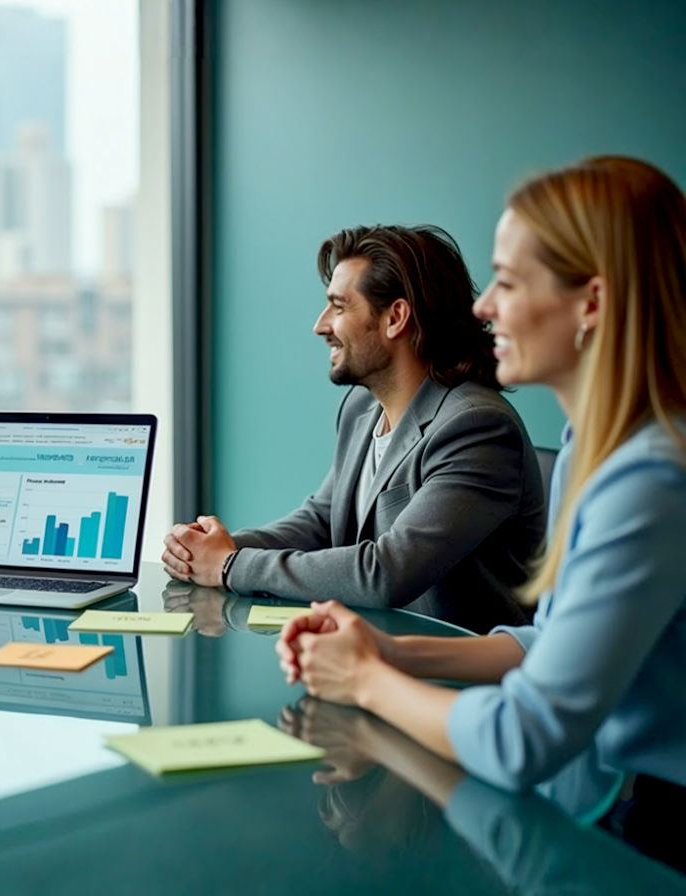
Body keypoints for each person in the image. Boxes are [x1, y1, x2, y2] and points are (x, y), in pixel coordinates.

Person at [277, 156, 686, 871]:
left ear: (591, 303)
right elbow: (547, 644)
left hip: (653, 832)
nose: (483, 306)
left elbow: (524, 735)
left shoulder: (649, 481)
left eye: (509, 281)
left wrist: (368, 683)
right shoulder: (594, 445)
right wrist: (387, 650)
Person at [162, 224, 545, 633]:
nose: (321, 325)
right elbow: (323, 521)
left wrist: (230, 565)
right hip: (377, 656)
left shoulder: (476, 427)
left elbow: (388, 572)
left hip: (461, 675)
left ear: (395, 317)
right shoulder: (363, 407)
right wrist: (215, 548)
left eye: (339, 307)